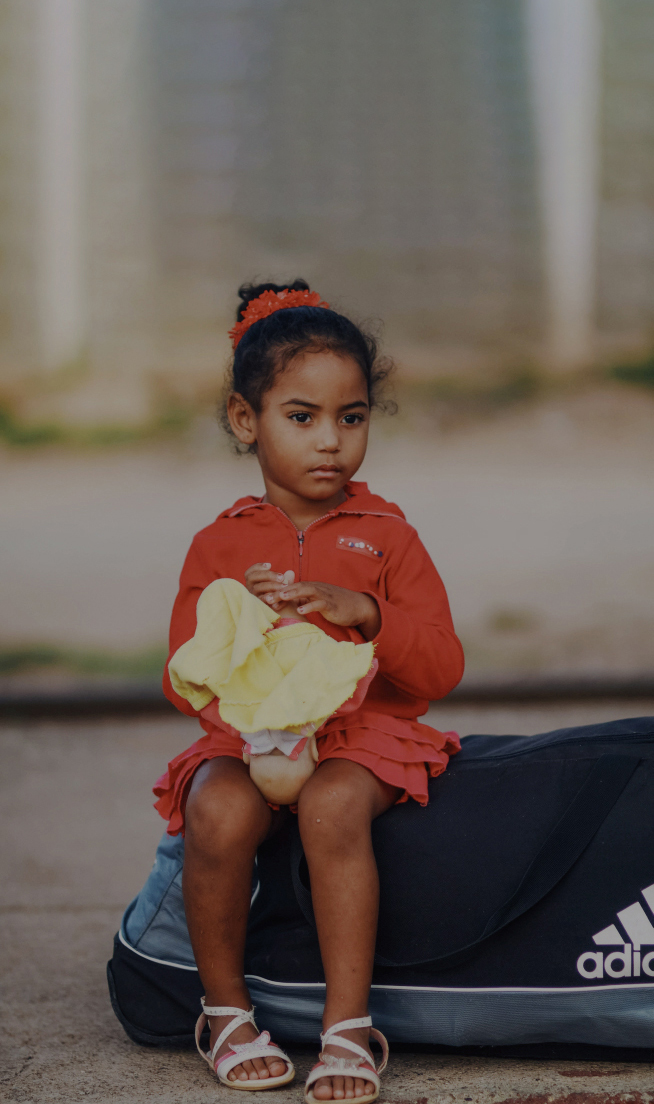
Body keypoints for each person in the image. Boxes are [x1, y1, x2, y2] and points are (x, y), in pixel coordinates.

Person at [154, 280, 465, 1101]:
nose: (330, 442)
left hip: (363, 738)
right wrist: (240, 640)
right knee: (216, 808)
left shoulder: (388, 536)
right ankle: (225, 1012)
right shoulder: (220, 544)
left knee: (330, 807)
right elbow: (182, 676)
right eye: (302, 418)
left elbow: (438, 669)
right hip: (252, 739)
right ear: (244, 420)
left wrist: (367, 613)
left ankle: (347, 1028)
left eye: (351, 418)